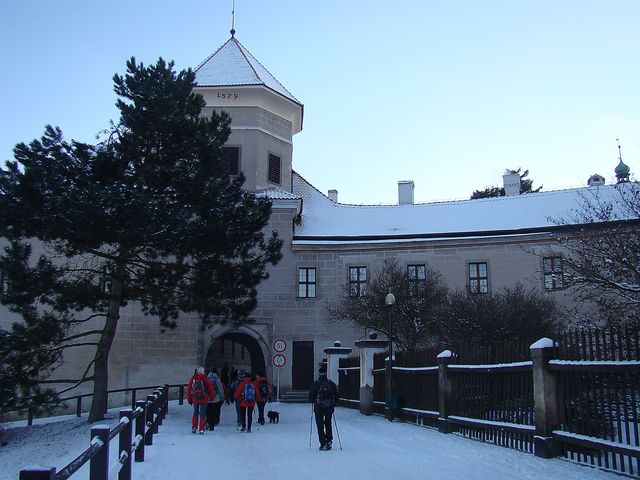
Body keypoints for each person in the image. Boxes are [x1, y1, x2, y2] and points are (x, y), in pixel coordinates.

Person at [308, 365, 338, 450]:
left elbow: (311, 397)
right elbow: (336, 395)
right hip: (329, 408)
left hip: (319, 408)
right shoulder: (331, 384)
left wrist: (313, 401)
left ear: (319, 373)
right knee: (328, 423)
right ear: (326, 373)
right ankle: (329, 440)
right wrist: (333, 404)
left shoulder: (316, 384)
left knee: (320, 425)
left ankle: (323, 443)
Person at [187, 366, 214, 434]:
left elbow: (189, 389)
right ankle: (201, 429)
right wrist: (211, 397)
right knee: (202, 414)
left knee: (195, 413)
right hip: (204, 398)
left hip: (195, 398)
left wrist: (189, 399)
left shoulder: (193, 379)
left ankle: (194, 427)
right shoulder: (205, 378)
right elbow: (210, 388)